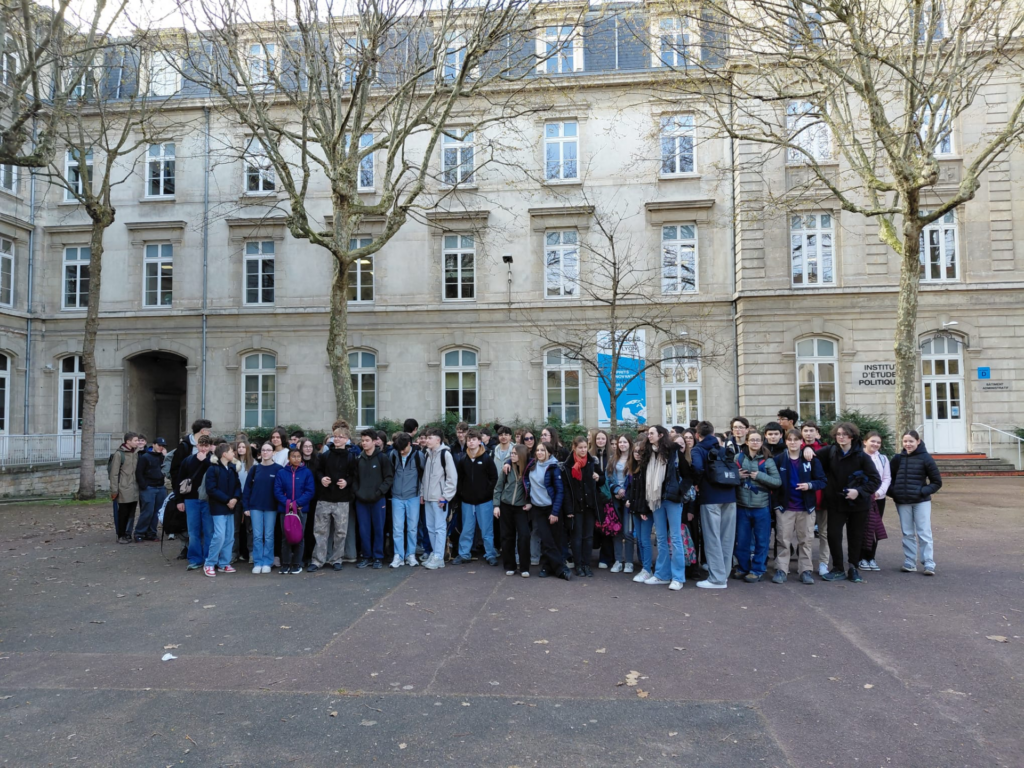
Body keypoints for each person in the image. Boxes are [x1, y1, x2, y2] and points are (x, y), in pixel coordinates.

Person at [811, 422, 881, 583]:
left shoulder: (862, 456)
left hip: (859, 504)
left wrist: (859, 492)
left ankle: (853, 568)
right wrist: (808, 449)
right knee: (833, 535)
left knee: (855, 536)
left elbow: (875, 480)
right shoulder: (830, 452)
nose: (841, 437)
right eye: (838, 434)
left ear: (852, 436)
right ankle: (837, 568)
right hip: (836, 502)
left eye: (844, 434)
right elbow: (812, 456)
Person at [772, 429, 827, 584]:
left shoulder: (811, 459)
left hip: (806, 507)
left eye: (796, 439)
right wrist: (776, 505)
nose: (793, 442)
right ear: (786, 441)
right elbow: (772, 482)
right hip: (785, 508)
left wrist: (809, 485)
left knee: (806, 540)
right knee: (783, 540)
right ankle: (782, 569)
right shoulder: (779, 459)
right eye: (790, 439)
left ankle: (805, 570)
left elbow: (822, 481)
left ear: (802, 442)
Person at [888, 430, 942, 576]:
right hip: (902, 501)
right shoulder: (898, 459)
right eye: (905, 441)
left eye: (911, 441)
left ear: (918, 441)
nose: (908, 444)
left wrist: (922, 491)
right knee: (907, 533)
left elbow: (936, 482)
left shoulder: (926, 459)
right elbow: (888, 479)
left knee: (924, 532)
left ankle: (929, 563)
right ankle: (910, 562)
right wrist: (894, 492)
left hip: (921, 502)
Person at [691, 420, 737, 590]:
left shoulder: (698, 449)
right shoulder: (723, 449)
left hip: (710, 496)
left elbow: (696, 467)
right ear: (712, 433)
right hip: (730, 495)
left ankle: (716, 579)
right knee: (727, 538)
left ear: (697, 435)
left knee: (712, 538)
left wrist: (697, 482)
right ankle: (723, 575)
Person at [639, 425, 686, 591]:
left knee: (675, 538)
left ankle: (678, 577)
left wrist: (680, 490)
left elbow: (688, 473)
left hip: (672, 499)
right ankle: (662, 575)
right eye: (648, 433)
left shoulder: (673, 451)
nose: (648, 436)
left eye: (651, 433)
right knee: (660, 538)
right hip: (655, 499)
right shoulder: (649, 453)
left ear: (660, 435)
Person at [733, 429, 782, 583]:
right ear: (746, 441)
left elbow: (777, 482)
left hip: (761, 507)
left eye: (758, 440)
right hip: (742, 505)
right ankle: (743, 568)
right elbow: (728, 477)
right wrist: (737, 475)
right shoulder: (738, 457)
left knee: (762, 540)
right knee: (742, 540)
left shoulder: (767, 460)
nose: (755, 442)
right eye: (752, 440)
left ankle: (757, 569)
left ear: (762, 442)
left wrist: (759, 475)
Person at [523, 441, 572, 581]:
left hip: (551, 508)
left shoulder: (554, 467)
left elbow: (560, 492)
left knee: (553, 541)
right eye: (537, 450)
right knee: (546, 539)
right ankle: (561, 569)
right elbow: (518, 461)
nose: (539, 453)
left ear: (549, 452)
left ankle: (546, 567)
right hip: (537, 508)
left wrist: (555, 512)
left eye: (542, 450)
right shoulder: (532, 464)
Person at [310, 427, 355, 572]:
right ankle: (317, 560)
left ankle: (337, 559)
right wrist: (322, 478)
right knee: (320, 531)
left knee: (341, 532)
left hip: (342, 500)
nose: (337, 439)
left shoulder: (350, 457)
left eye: (341, 437)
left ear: (346, 439)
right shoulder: (325, 455)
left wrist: (347, 482)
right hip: (324, 498)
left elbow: (354, 475)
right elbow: (318, 471)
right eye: (335, 436)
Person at [453, 429, 499, 566]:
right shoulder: (463, 460)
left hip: (484, 501)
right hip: (467, 501)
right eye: (469, 440)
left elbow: (494, 478)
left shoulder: (487, 459)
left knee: (487, 531)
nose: (471, 442)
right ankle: (464, 554)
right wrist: (462, 493)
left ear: (480, 441)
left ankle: (490, 554)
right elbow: (459, 479)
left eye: (473, 440)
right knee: (467, 529)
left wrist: (487, 493)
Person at [561, 436, 604, 577]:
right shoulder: (567, 466)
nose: (583, 450)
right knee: (576, 536)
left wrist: (598, 478)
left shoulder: (592, 462)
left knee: (588, 536)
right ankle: (578, 564)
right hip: (575, 506)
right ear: (574, 447)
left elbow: (602, 479)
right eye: (580, 447)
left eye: (585, 447)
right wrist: (568, 510)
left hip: (590, 505)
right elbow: (566, 490)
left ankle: (586, 564)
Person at [352, 428, 394, 569]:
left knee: (378, 529)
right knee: (364, 530)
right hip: (361, 501)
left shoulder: (382, 458)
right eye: (362, 441)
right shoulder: (358, 459)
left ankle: (378, 557)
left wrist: (379, 492)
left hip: (378, 500)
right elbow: (354, 479)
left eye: (367, 441)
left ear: (374, 441)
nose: (364, 443)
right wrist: (358, 493)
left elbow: (388, 478)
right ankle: (366, 556)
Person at [420, 427, 458, 570]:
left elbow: (452, 478)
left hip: (439, 499)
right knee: (430, 527)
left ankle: (439, 557)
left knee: (440, 528)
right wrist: (423, 493)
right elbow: (425, 477)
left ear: (438, 439)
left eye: (430, 438)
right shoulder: (428, 454)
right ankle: (434, 553)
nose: (427, 440)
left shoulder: (445, 455)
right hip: (429, 498)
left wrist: (445, 497)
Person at [203, 442, 243, 577]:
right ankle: (209, 563)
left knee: (229, 536)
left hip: (231, 507)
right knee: (219, 536)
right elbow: (211, 489)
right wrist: (227, 500)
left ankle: (224, 563)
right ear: (224, 454)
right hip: (218, 507)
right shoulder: (212, 469)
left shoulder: (232, 468)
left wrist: (235, 499)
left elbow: (238, 486)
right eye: (232, 451)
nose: (234, 453)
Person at [176, 434, 214, 570]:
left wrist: (205, 461)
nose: (203, 448)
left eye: (206, 446)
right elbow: (179, 480)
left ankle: (209, 558)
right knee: (193, 531)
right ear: (197, 446)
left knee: (209, 531)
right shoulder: (188, 461)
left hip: (208, 500)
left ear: (210, 447)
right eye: (201, 445)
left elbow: (215, 474)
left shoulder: (213, 461)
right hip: (191, 500)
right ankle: (195, 558)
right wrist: (179, 500)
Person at [274, 448, 315, 574]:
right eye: (293, 456)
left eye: (298, 456)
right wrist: (288, 504)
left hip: (301, 510)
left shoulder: (306, 472)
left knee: (299, 537)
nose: (296, 459)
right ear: (289, 458)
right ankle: (286, 563)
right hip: (285, 510)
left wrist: (297, 503)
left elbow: (309, 491)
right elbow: (277, 491)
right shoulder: (281, 473)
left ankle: (297, 563)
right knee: (286, 537)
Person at [493, 443, 531, 577]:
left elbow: (535, 489)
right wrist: (496, 505)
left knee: (524, 536)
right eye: (511, 453)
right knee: (507, 536)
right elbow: (498, 487)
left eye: (514, 453)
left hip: (521, 508)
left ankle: (525, 567)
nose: (512, 455)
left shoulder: (529, 469)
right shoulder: (507, 468)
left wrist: (530, 503)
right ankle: (510, 565)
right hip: (506, 505)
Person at [243, 443, 280, 574]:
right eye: (263, 450)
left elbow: (281, 489)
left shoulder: (278, 469)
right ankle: (258, 561)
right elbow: (247, 489)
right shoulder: (254, 469)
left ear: (273, 453)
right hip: (255, 506)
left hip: (271, 507)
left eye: (268, 450)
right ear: (260, 453)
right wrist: (246, 507)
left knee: (269, 536)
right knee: (257, 536)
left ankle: (267, 561)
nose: (265, 452)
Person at [859, 431, 891, 571]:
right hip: (862, 498)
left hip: (878, 498)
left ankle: (871, 557)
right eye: (872, 441)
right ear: (865, 442)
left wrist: (879, 492)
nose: (875, 444)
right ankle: (860, 558)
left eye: (878, 442)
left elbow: (886, 478)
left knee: (874, 528)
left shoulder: (883, 459)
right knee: (861, 528)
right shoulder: (859, 457)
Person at [389, 432, 422, 569]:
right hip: (397, 496)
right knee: (397, 528)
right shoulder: (393, 454)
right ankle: (398, 555)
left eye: (403, 449)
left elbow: (423, 475)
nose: (401, 452)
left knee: (412, 528)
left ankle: (411, 554)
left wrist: (421, 494)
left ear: (409, 444)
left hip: (413, 496)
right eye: (399, 449)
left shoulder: (418, 456)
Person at [606, 433, 635, 574]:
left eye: (625, 442)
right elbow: (608, 479)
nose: (622, 444)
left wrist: (627, 493)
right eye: (620, 442)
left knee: (628, 532)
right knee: (616, 531)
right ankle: (618, 561)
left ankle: (629, 562)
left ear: (630, 443)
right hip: (616, 499)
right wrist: (617, 490)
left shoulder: (634, 459)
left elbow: (636, 480)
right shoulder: (613, 459)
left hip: (629, 500)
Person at [626, 441, 654, 583]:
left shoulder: (646, 468)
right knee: (641, 540)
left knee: (645, 540)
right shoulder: (634, 468)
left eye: (640, 452)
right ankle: (645, 567)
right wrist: (629, 500)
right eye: (635, 452)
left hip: (644, 509)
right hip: (636, 508)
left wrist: (644, 509)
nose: (637, 454)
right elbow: (632, 488)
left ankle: (647, 569)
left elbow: (646, 491)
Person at [109, 432, 141, 544]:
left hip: (134, 488)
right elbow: (114, 474)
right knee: (123, 513)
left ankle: (127, 534)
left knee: (131, 513)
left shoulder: (136, 453)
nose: (138, 442)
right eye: (136, 440)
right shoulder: (119, 454)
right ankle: (121, 535)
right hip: (123, 488)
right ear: (128, 441)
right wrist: (114, 490)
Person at [135, 436, 168, 542]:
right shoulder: (145, 457)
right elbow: (139, 472)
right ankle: (139, 532)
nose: (161, 447)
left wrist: (165, 457)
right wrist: (143, 485)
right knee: (147, 511)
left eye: (162, 446)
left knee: (157, 512)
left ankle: (151, 533)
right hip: (149, 487)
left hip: (160, 487)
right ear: (153, 445)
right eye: (159, 445)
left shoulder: (162, 457)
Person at [231, 438, 254, 564]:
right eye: (239, 447)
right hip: (236, 498)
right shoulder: (233, 463)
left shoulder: (254, 464)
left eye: (243, 447)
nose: (241, 449)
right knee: (234, 528)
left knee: (250, 528)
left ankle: (251, 553)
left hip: (249, 500)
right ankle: (234, 553)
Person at [170, 419, 212, 483]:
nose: (210, 433)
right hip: (187, 486)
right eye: (208, 431)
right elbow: (175, 468)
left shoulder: (210, 446)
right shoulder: (184, 446)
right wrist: (177, 486)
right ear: (202, 431)